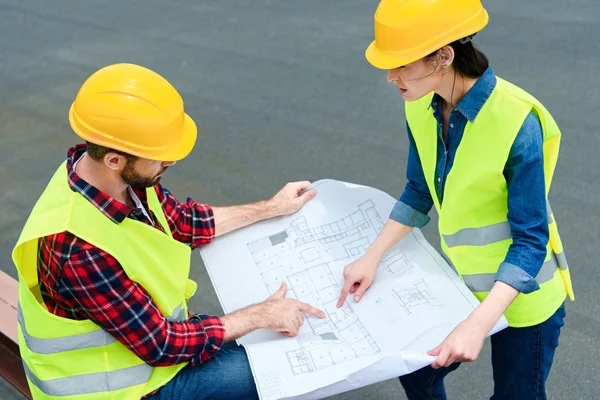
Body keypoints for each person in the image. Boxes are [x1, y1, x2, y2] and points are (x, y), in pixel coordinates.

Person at [12, 63, 326, 400]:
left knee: (260, 347)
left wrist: (271, 208)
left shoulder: (111, 178)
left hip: (140, 351)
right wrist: (259, 314)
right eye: (160, 157)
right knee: (278, 366)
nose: (171, 162)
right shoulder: (79, 250)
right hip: (120, 390)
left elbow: (183, 222)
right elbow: (163, 345)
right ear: (115, 160)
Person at [337, 1, 574, 399]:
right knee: (417, 375)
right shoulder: (419, 104)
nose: (390, 77)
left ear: (444, 56)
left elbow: (531, 241)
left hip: (523, 299)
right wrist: (371, 256)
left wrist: (477, 325)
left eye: (401, 64)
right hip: (461, 285)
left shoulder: (517, 122)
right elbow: (419, 190)